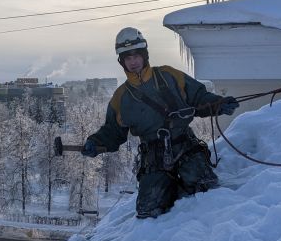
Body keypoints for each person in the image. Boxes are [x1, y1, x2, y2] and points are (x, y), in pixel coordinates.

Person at [82, 27, 238, 219]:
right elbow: (112, 131)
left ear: (145, 55)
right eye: (127, 58)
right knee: (148, 211)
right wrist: (95, 143)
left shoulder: (169, 76)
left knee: (205, 189)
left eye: (136, 56)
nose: (133, 62)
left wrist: (219, 104)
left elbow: (198, 96)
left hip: (185, 148)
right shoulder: (121, 98)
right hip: (154, 159)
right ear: (121, 62)